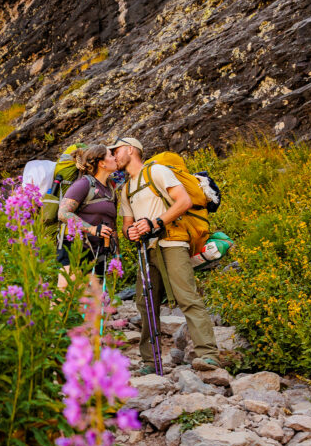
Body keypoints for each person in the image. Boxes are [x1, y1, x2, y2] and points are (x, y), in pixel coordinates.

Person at [109, 136, 221, 374]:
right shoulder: (126, 188)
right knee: (145, 303)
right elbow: (126, 223)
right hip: (146, 249)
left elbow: (184, 201)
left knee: (186, 297)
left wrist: (155, 222)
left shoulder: (157, 172)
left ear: (131, 149)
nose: (113, 155)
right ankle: (150, 362)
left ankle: (208, 354)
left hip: (173, 242)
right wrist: (131, 231)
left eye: (116, 150)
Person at [55, 144, 118, 290]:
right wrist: (91, 229)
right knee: (67, 291)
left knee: (94, 297)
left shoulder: (110, 190)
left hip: (99, 250)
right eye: (110, 155)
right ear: (101, 163)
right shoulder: (84, 184)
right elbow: (63, 213)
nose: (114, 158)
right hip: (75, 246)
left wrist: (117, 256)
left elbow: (112, 225)